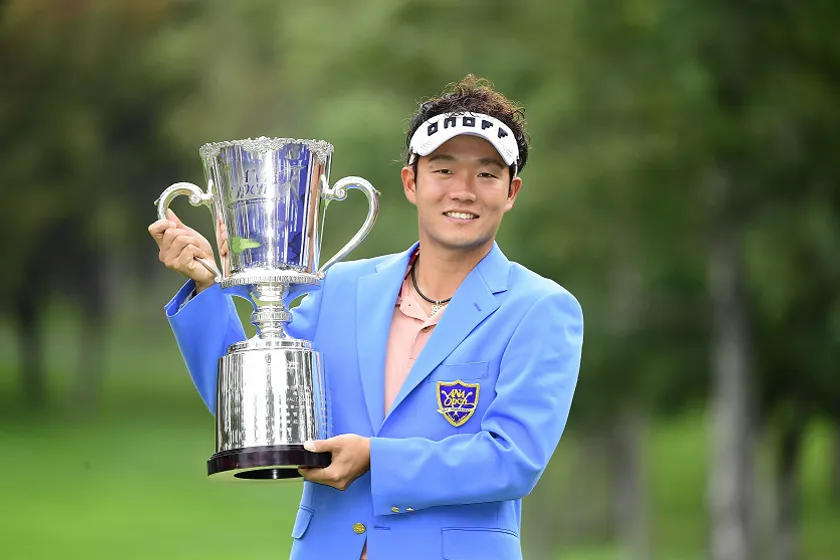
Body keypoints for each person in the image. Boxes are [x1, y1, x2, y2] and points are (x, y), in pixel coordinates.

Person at [148, 75, 584, 560]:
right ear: (411, 182)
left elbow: (511, 460)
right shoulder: (341, 287)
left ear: (511, 191)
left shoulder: (540, 308)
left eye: (486, 174)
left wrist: (375, 459)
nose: (463, 191)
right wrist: (206, 285)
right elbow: (254, 409)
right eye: (443, 170)